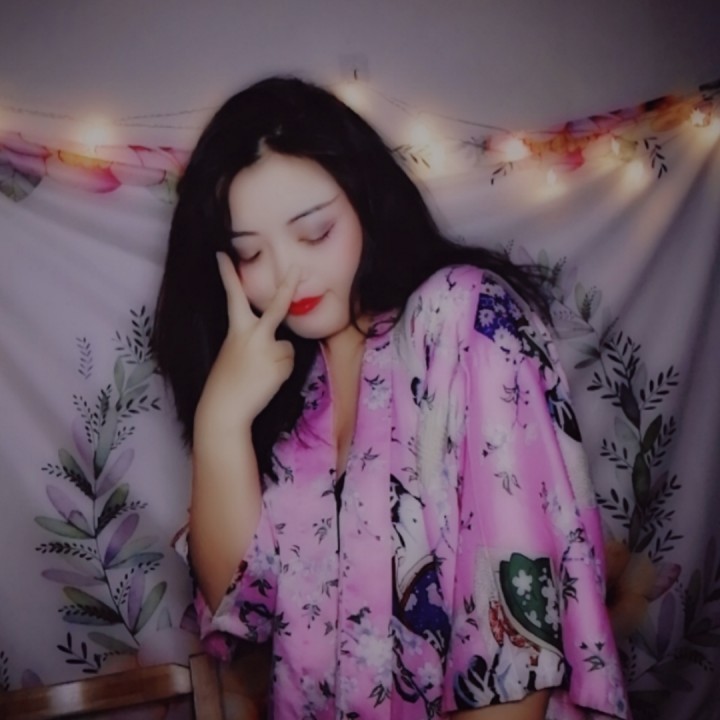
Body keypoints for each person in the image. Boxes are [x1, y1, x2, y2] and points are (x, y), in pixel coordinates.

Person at [153, 76, 629, 719]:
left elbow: (514, 645)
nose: (287, 274)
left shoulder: (461, 316)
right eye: (251, 253)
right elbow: (243, 610)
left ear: (365, 202)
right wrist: (221, 419)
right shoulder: (296, 396)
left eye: (314, 232)